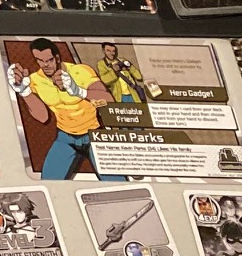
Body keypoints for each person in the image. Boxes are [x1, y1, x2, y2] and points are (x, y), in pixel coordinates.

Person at [9, 37, 124, 181]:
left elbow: (108, 100)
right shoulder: (35, 80)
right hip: (65, 137)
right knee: (48, 182)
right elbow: (43, 117)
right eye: (40, 60)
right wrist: (25, 92)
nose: (45, 65)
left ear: (57, 58)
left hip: (94, 134)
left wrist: (79, 91)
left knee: (118, 183)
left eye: (49, 60)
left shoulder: (80, 70)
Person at [94, 41, 148, 105]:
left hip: (132, 94)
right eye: (108, 51)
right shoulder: (102, 64)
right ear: (103, 51)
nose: (112, 53)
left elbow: (139, 77)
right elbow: (104, 80)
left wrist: (129, 67)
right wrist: (114, 71)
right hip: (119, 96)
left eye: (113, 51)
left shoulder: (122, 60)